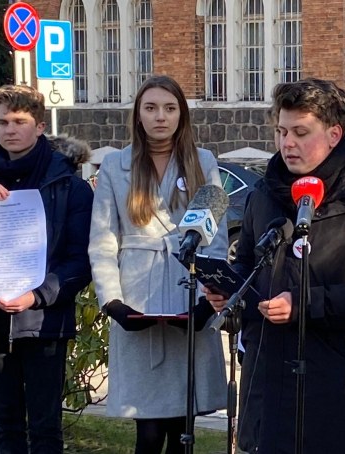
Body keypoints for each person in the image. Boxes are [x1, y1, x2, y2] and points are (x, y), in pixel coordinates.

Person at [204, 78, 345, 453]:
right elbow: (247, 263)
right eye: (281, 131)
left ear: (333, 135)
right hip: (268, 382)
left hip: (337, 388)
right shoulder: (263, 195)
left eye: (300, 132)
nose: (287, 143)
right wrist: (231, 295)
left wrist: (302, 304)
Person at [0, 84, 94, 453]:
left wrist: (36, 296)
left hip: (44, 321)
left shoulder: (68, 185)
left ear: (39, 126)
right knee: (5, 427)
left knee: (45, 429)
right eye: (3, 122)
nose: (10, 129)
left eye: (19, 121)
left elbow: (80, 262)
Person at [88, 75, 227, 454]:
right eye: (150, 108)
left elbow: (214, 238)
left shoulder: (203, 162)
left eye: (169, 108)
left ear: (182, 114)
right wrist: (112, 301)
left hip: (188, 297)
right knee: (147, 432)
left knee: (183, 429)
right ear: (138, 114)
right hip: (137, 301)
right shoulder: (115, 166)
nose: (160, 117)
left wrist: (208, 299)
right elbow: (103, 241)